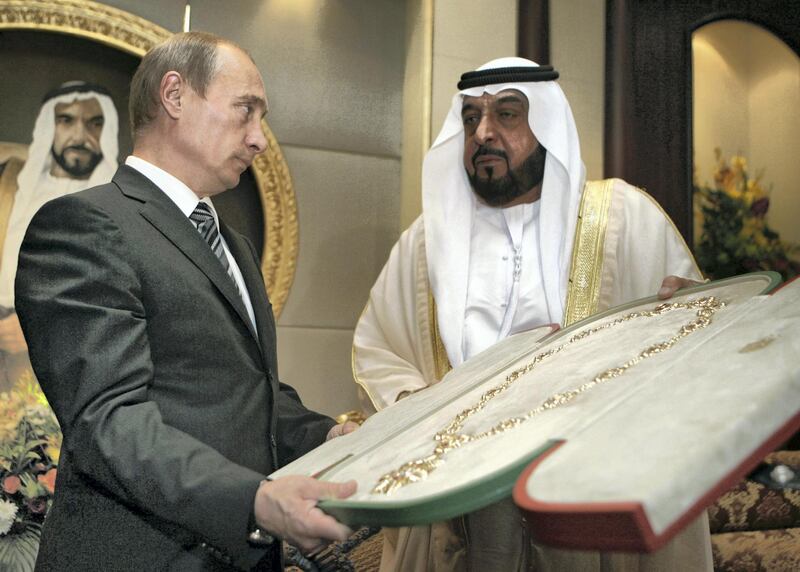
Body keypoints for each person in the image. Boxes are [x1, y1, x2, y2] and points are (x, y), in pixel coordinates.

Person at [352, 58, 712, 571]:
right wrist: (420, 410)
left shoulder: (624, 218)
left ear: (545, 125)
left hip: (587, 498)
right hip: (462, 504)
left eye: (507, 114)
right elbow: (379, 348)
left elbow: (692, 335)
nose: (484, 132)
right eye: (471, 117)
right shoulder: (427, 243)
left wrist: (689, 317)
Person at [15, 32, 357, 571]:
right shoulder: (84, 226)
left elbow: (242, 394)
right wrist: (254, 501)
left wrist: (325, 434)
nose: (259, 139)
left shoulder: (232, 244)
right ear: (174, 95)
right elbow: (110, 420)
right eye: (246, 111)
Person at [0, 82, 119, 391]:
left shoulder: (119, 202)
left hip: (70, 355)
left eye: (95, 123)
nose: (80, 136)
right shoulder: (13, 183)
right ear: (46, 127)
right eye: (65, 120)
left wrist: (36, 327)